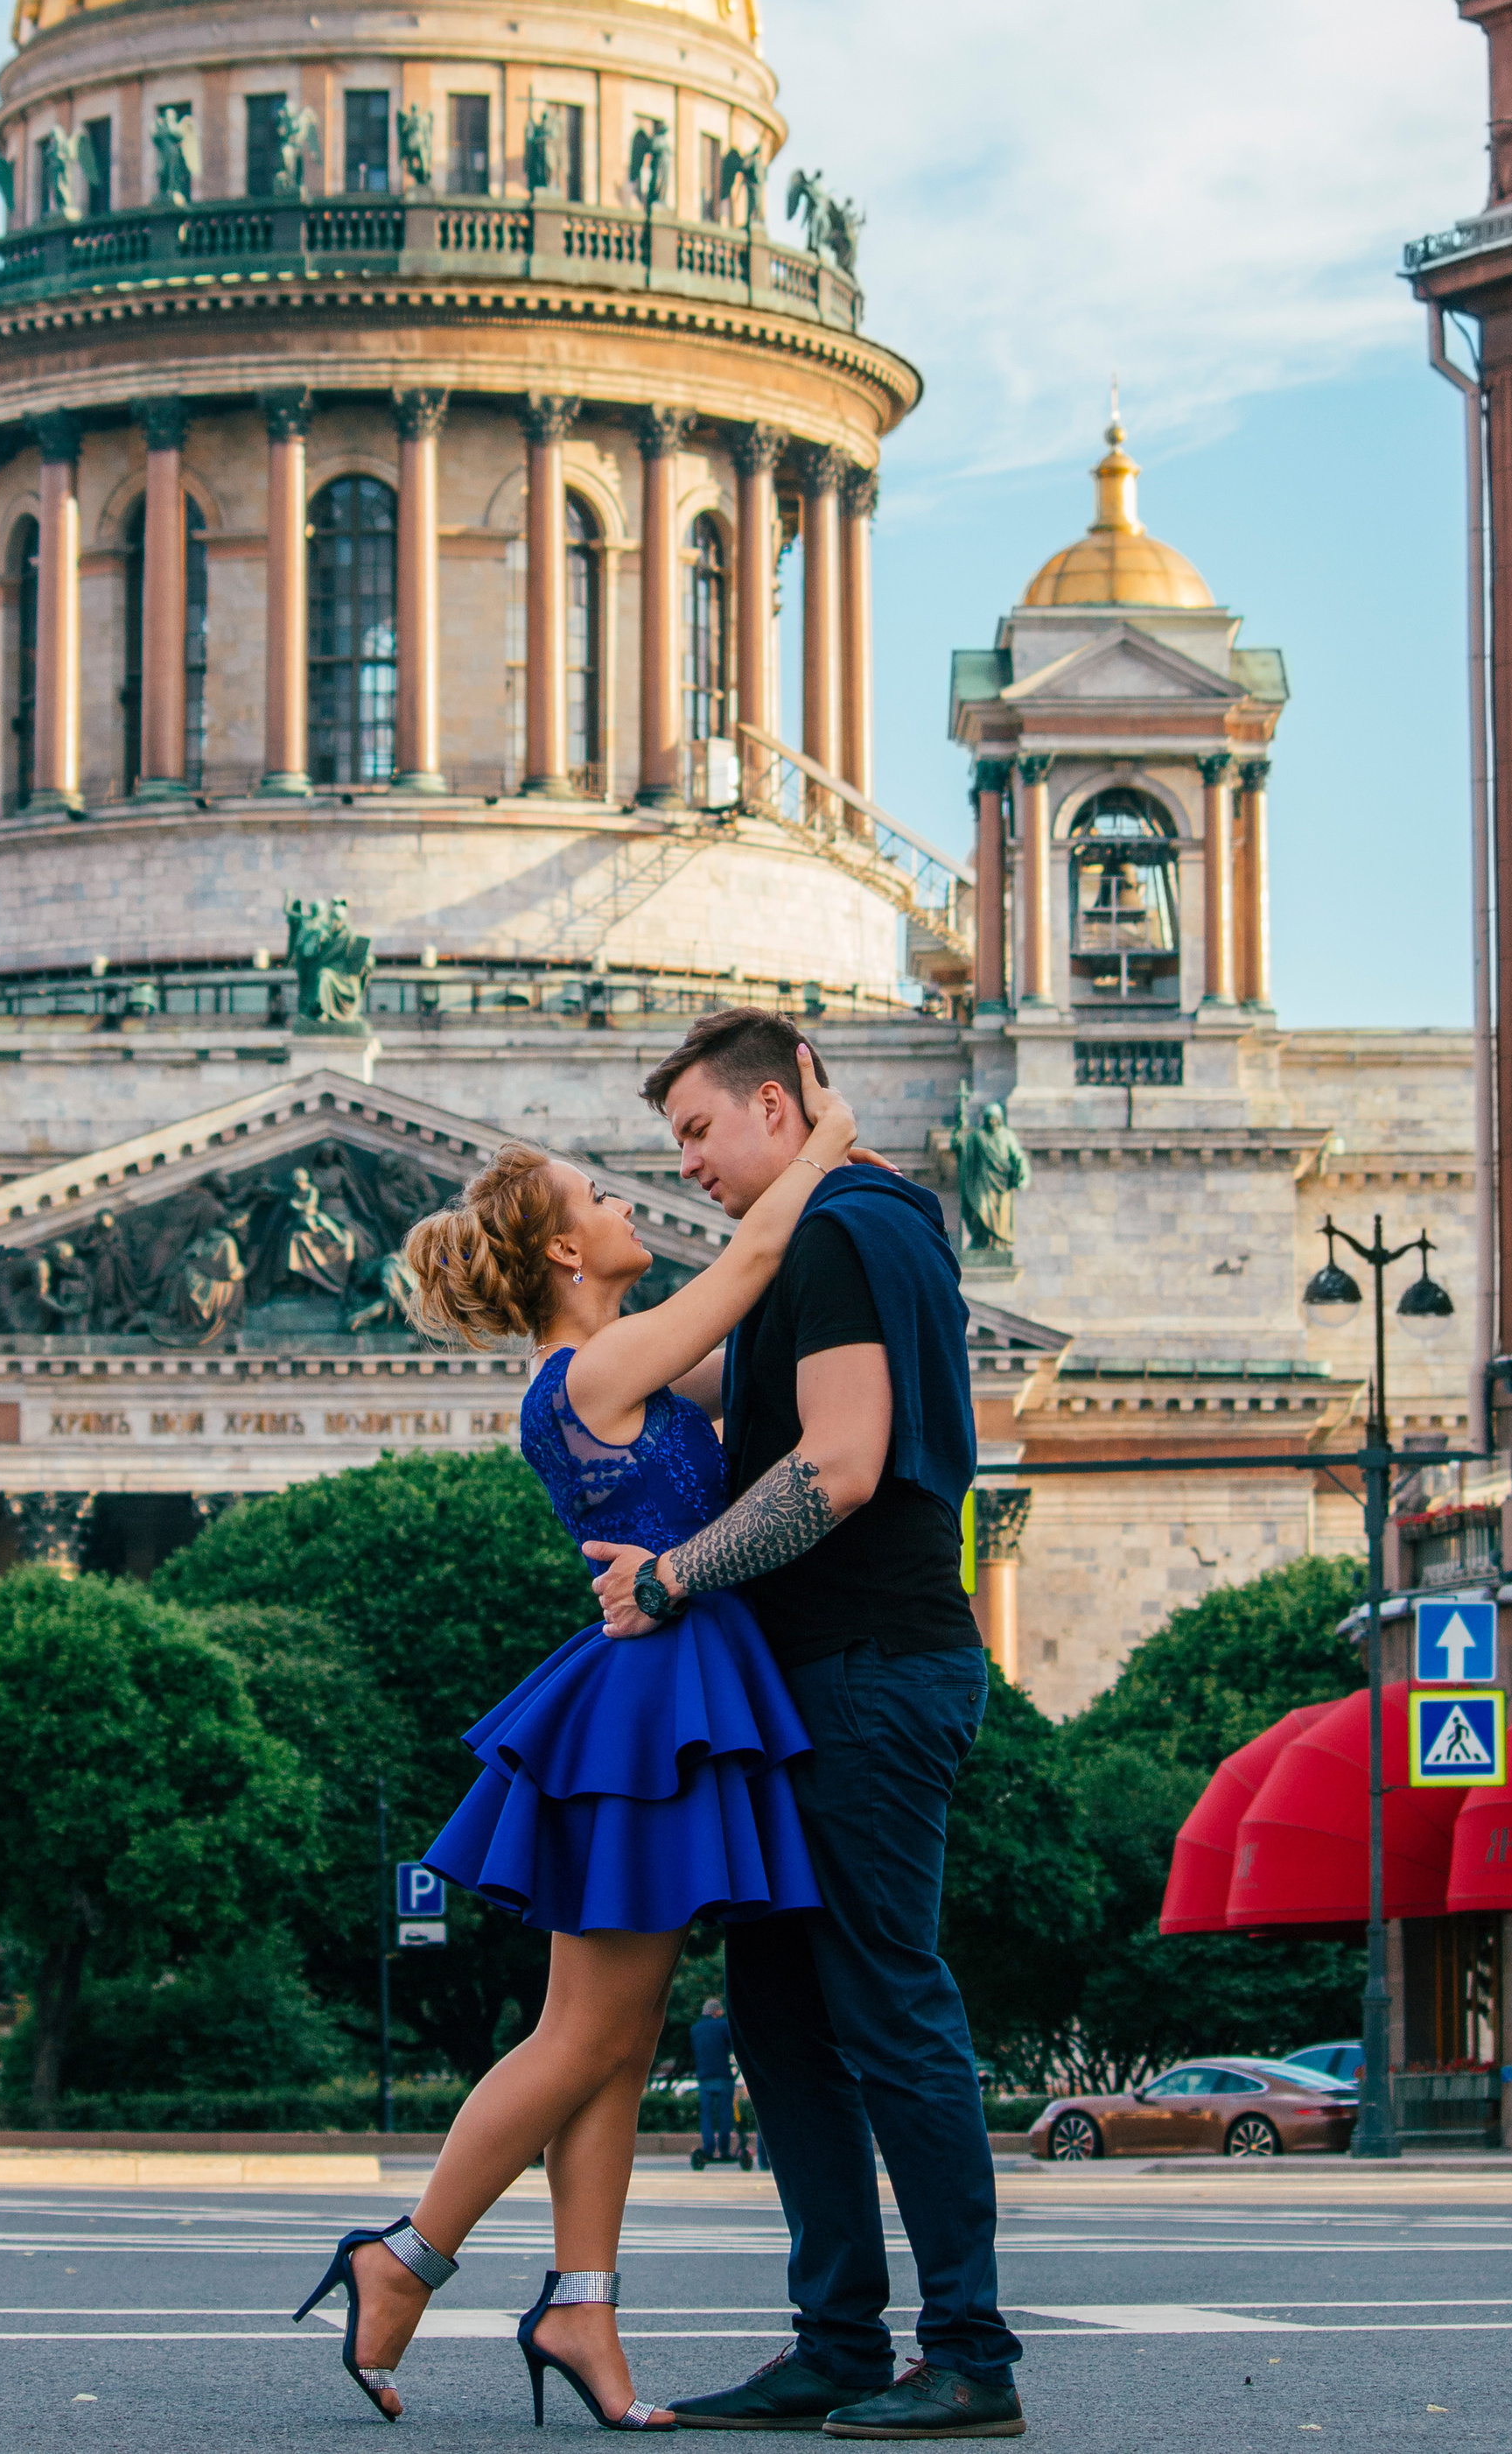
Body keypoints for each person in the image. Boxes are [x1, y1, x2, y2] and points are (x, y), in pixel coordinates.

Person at [294, 1046, 859, 2430]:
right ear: (562, 1248)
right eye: (603, 1193)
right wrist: (826, 1129)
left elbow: (760, 1356)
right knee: (582, 2036)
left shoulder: (619, 1371)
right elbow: (754, 1263)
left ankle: (584, 2309)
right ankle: (406, 2256)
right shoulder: (596, 1363)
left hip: (650, 1695)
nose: (634, 1204)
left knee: (608, 2031)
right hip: (652, 1700)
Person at [589, 1007, 1025, 2443]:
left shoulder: (846, 1229)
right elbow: (735, 1388)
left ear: (780, 1103)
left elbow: (831, 1466)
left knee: (889, 2005)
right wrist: (602, 1318)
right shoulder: (821, 1241)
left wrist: (670, 1574)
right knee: (780, 2017)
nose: (691, 1165)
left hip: (867, 1670)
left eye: (702, 1131)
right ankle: (836, 2340)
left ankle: (968, 2353)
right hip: (810, 1681)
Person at [690, 1995, 736, 2167]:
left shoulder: (695, 2030)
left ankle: (708, 2150)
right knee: (725, 2113)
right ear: (717, 2011)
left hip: (704, 2077)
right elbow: (732, 2047)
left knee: (707, 2116)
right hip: (723, 2076)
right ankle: (724, 2150)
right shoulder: (723, 2026)